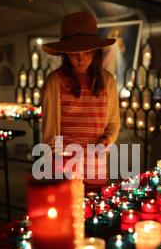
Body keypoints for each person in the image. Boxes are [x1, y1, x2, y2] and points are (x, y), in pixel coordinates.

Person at [41, 11, 121, 190]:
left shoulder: (107, 81)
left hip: (96, 170)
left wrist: (107, 141)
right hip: (66, 172)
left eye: (86, 52)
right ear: (65, 54)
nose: (80, 59)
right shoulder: (55, 83)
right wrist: (61, 169)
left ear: (95, 51)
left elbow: (113, 123)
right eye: (73, 54)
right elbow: (50, 136)